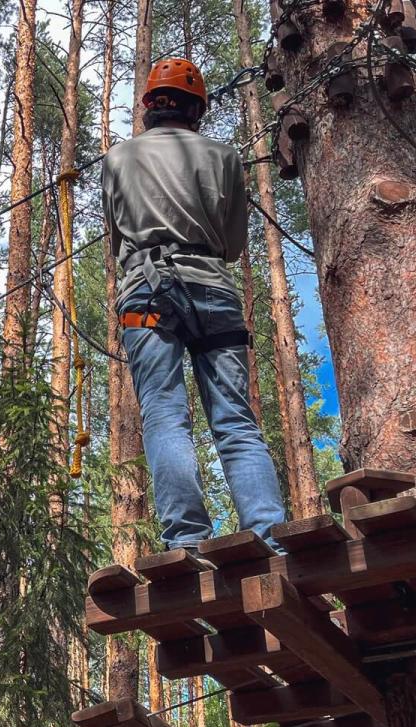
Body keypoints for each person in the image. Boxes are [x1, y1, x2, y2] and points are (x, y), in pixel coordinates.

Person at [101, 57, 286, 556]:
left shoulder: (118, 159)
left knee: (164, 415)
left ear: (150, 108)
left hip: (146, 290)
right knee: (235, 421)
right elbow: (231, 245)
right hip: (213, 288)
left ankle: (186, 541)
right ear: (196, 108)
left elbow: (117, 234)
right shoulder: (225, 157)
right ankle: (270, 535)